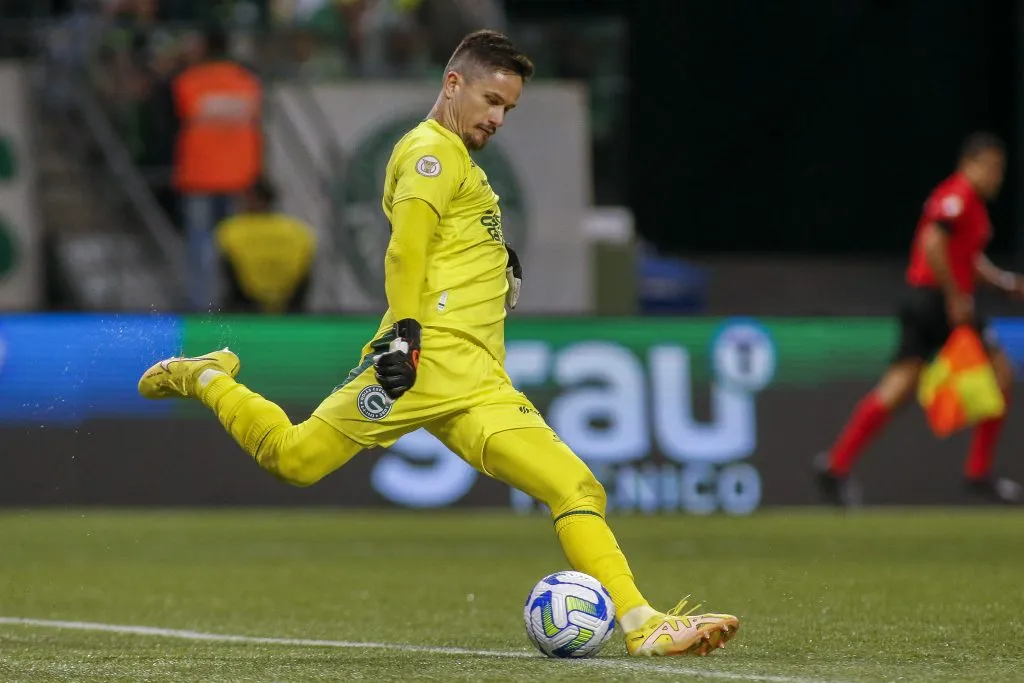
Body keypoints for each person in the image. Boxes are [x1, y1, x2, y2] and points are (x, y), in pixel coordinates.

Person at [137, 29, 739, 658]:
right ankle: (206, 376)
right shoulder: (431, 150)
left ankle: (642, 624)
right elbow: (405, 246)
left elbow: (442, 243)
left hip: (480, 380)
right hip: (424, 362)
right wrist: (403, 337)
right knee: (293, 460)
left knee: (578, 486)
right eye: (490, 99)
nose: (498, 117)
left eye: (508, 107)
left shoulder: (460, 163)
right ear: (453, 84)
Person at [814, 132, 1024, 506]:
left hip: (926, 300)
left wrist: (1004, 283)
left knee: (897, 389)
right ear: (969, 163)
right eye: (991, 167)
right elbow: (932, 242)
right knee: (1002, 374)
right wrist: (955, 296)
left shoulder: (970, 205)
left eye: (1000, 170)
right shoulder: (957, 196)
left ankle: (835, 464)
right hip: (938, 302)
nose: (997, 177)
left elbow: (968, 259)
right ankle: (979, 471)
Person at [170, 24, 263, 311]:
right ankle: (233, 303)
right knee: (236, 248)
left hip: (199, 176)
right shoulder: (248, 83)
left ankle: (202, 306)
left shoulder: (188, 81)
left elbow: (180, 109)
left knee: (200, 246)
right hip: (239, 176)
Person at [215, 177, 317, 314]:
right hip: (290, 307)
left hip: (245, 308)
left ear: (248, 200)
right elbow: (304, 275)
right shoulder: (299, 232)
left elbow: (229, 274)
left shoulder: (231, 231)